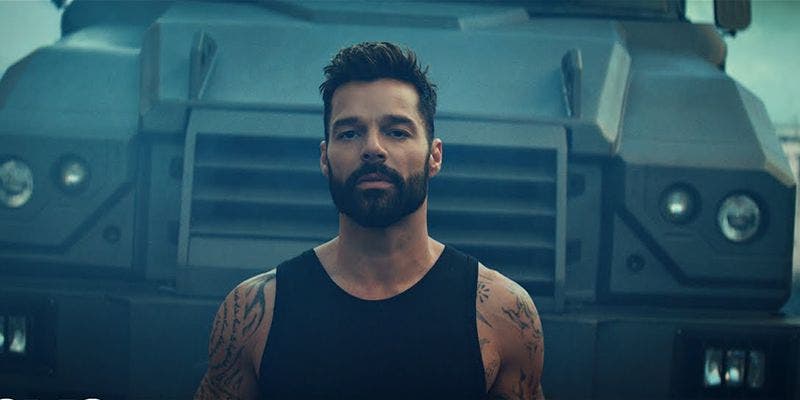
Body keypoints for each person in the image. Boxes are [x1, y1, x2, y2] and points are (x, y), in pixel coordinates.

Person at [194, 41, 544, 400]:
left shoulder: (502, 312)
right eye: (349, 133)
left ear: (434, 156)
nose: (373, 148)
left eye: (397, 131)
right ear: (325, 158)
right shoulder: (253, 313)